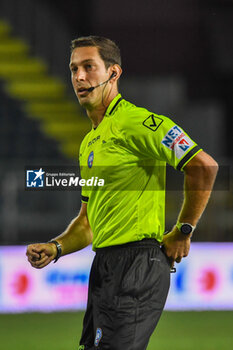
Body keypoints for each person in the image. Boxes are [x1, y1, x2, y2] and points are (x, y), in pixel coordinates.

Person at [26, 36, 218, 350]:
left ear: (113, 73)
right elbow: (87, 223)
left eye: (89, 67)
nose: (79, 77)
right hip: (105, 265)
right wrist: (56, 247)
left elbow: (203, 166)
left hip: (137, 264)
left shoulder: (140, 123)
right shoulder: (89, 142)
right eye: (74, 69)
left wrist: (183, 230)